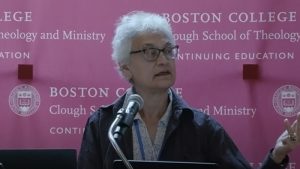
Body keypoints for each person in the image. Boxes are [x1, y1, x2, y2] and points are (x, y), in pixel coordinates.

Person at [77, 11, 300, 169]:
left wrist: (277, 155)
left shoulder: (200, 127)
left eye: (168, 50)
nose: (164, 60)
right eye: (150, 53)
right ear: (126, 68)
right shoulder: (104, 125)